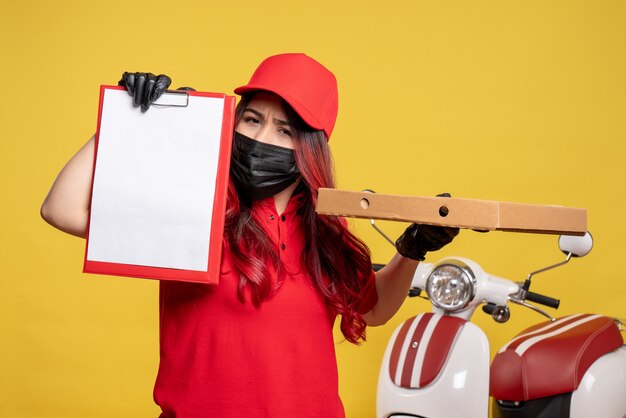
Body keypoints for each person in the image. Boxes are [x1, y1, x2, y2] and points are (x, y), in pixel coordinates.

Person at [41, 53, 458, 418]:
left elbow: (373, 310)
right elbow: (60, 209)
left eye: (285, 131)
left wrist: (412, 249)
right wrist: (130, 123)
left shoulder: (327, 227)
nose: (260, 139)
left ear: (311, 147)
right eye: (253, 120)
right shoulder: (194, 209)